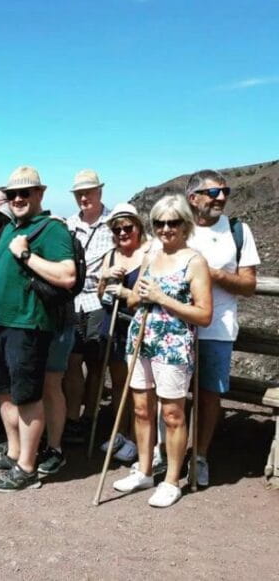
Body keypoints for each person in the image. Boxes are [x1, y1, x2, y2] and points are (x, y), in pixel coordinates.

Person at [0, 166, 76, 491]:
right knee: (4, 391)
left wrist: (27, 254)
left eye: (25, 193)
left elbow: (67, 275)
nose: (17, 199)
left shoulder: (51, 229)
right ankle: (15, 451)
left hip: (27, 325)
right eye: (12, 194)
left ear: (39, 194)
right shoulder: (9, 229)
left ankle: (27, 466)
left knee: (28, 396)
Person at [113, 195, 212, 508]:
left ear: (186, 225)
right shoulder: (150, 255)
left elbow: (204, 314)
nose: (166, 229)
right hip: (141, 338)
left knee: (172, 413)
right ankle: (143, 470)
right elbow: (133, 300)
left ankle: (171, 480)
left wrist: (161, 297)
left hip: (173, 344)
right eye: (159, 223)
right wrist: (137, 294)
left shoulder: (194, 261)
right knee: (141, 410)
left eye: (173, 222)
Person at [186, 170, 260, 487]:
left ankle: (199, 456)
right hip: (178, 326)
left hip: (218, 327)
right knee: (171, 394)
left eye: (224, 191)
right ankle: (169, 453)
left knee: (208, 395)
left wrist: (212, 274)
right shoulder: (177, 225)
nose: (221, 198)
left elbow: (248, 285)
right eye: (214, 192)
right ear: (194, 198)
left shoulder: (237, 231)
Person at [96, 203, 151, 462]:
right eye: (116, 229)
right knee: (119, 382)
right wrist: (105, 277)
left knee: (138, 384)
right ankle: (119, 430)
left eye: (127, 227)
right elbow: (99, 294)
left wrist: (127, 293)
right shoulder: (111, 255)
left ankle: (134, 437)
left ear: (138, 227)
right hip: (114, 323)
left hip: (137, 325)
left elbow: (150, 297)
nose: (121, 233)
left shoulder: (150, 254)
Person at [64, 170, 114, 444]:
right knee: (72, 362)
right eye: (79, 193)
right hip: (73, 301)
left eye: (88, 192)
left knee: (96, 364)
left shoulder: (114, 224)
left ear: (99, 192)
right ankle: (73, 417)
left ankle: (90, 417)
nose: (84, 198)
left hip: (99, 301)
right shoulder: (69, 224)